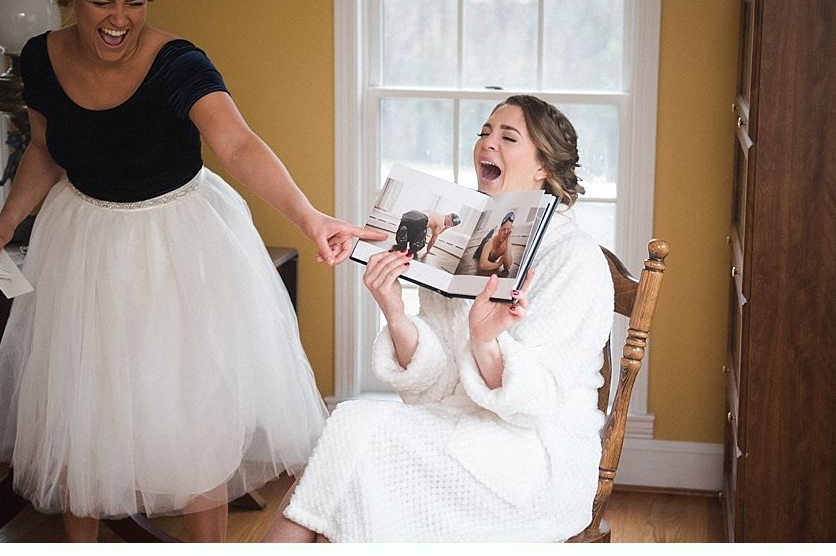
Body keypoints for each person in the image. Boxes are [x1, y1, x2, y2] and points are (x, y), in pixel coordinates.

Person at [0, 0, 384, 543]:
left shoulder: (177, 63)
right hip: (82, 239)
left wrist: (311, 217)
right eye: (101, 2)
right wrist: (6, 221)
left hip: (177, 243)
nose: (120, 19)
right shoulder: (40, 56)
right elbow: (44, 147)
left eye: (135, 2)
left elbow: (238, 143)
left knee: (193, 413)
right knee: (83, 407)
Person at [263, 94, 615, 542]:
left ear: (543, 166)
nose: (487, 143)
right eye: (484, 133)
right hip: (454, 428)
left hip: (534, 460)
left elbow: (537, 405)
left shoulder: (575, 258)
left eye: (508, 137)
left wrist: (485, 342)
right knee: (349, 450)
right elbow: (434, 386)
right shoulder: (460, 239)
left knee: (355, 433)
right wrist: (393, 308)